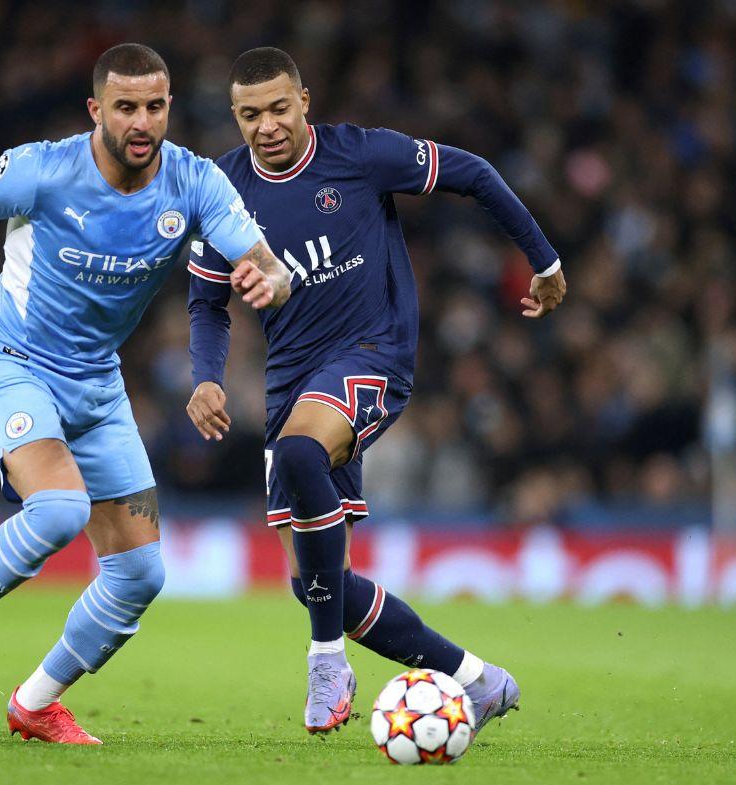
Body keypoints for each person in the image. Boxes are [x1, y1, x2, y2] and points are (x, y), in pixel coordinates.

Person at [0, 43, 290, 745]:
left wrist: (271, 282)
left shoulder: (195, 183)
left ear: (169, 107)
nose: (141, 122)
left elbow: (266, 262)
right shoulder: (43, 170)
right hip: (9, 363)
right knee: (58, 509)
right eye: (125, 107)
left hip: (95, 385)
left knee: (140, 574)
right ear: (96, 111)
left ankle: (35, 702)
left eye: (154, 106)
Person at [186, 47, 565, 734]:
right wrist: (206, 377)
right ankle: (479, 681)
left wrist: (545, 259)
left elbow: (474, 175)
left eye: (278, 108)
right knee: (318, 584)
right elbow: (207, 305)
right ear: (234, 117)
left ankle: (325, 661)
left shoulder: (360, 155)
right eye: (249, 115)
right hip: (290, 383)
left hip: (374, 354)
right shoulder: (220, 189)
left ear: (304, 100)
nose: (266, 125)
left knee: (301, 458)